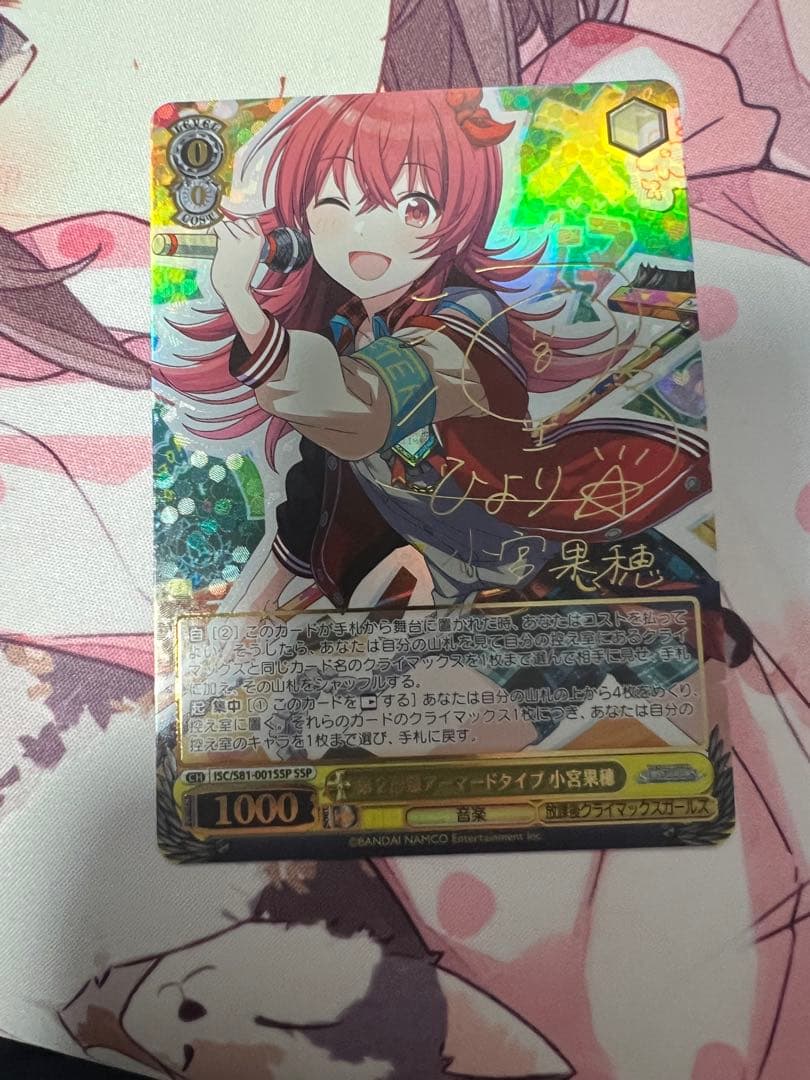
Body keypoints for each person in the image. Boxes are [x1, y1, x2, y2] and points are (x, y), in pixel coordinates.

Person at [155, 88, 710, 613]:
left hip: (539, 567)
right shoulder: (349, 330)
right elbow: (321, 487)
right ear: (301, 225)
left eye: (414, 206)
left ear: (459, 220)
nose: (366, 231)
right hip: (444, 579)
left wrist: (242, 301)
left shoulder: (461, 324)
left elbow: (361, 407)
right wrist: (248, 611)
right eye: (334, 203)